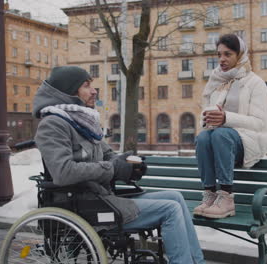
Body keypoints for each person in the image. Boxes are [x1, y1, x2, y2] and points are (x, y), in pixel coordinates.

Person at [32, 66, 205, 264]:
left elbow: (108, 154)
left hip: (101, 196)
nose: (94, 90)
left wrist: (129, 165)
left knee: (175, 197)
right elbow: (63, 172)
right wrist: (113, 169)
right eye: (87, 86)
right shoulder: (53, 124)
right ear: (69, 92)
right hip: (84, 204)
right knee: (169, 210)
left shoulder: (81, 121)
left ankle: (198, 262)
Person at [193, 34, 267, 219]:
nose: (222, 59)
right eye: (219, 54)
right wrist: (208, 119)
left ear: (240, 55)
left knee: (221, 134)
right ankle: (210, 194)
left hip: (250, 140)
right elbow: (206, 115)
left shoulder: (255, 83)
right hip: (219, 140)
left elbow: (259, 123)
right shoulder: (216, 81)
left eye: (228, 54)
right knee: (203, 137)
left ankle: (227, 198)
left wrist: (225, 118)